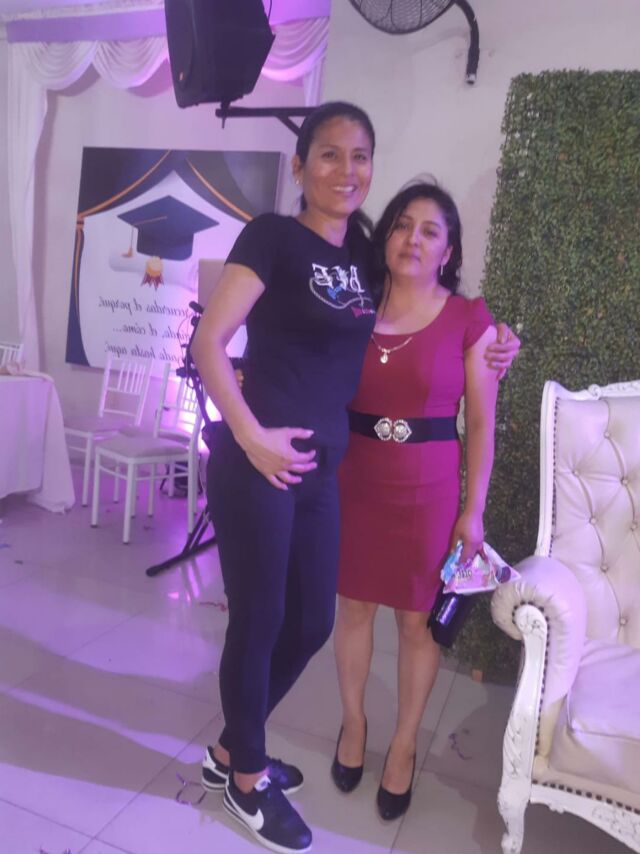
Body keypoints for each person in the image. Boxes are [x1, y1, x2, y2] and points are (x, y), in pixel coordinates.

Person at [191, 103, 517, 854]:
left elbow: (430, 308)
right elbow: (211, 341)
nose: (346, 170)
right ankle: (247, 783)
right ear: (300, 165)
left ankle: (233, 749)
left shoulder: (366, 255)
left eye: (360, 155)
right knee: (260, 620)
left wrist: (500, 341)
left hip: (323, 474)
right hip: (260, 463)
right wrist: (252, 437)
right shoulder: (272, 237)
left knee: (310, 623)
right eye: (329, 154)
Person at [331, 182, 498, 822]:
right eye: (403, 224)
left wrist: (473, 510)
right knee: (353, 608)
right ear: (386, 237)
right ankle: (353, 724)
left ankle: (402, 745)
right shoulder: (352, 306)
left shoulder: (470, 320)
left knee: (415, 623)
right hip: (354, 478)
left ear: (448, 251)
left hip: (428, 492)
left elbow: (480, 423)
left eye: (430, 231)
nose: (413, 239)